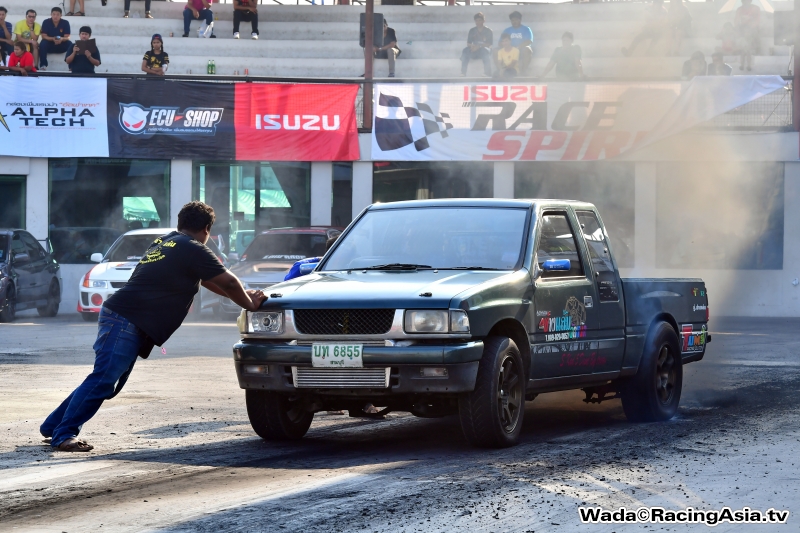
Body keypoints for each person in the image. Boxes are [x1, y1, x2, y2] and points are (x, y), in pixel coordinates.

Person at [39, 202, 267, 452]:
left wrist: (242, 295)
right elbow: (229, 282)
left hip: (122, 315)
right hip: (126, 319)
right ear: (206, 229)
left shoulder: (167, 242)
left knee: (102, 378)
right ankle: (64, 434)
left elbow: (208, 280)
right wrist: (250, 304)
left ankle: (53, 426)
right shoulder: (193, 248)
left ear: (181, 223)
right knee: (103, 379)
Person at [460, 12, 492, 77]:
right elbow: (468, 43)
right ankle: (463, 72)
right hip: (474, 49)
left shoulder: (488, 31)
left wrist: (479, 46)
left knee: (485, 51)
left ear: (484, 21)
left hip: (484, 50)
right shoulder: (472, 30)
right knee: (465, 50)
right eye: (476, 20)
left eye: (480, 20)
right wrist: (472, 46)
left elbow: (489, 44)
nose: (478, 22)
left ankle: (487, 73)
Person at [735, 0, 760, 71]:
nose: (745, 2)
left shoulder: (756, 8)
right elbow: (736, 21)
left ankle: (749, 65)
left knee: (748, 50)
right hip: (742, 31)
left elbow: (758, 20)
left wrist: (751, 24)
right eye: (744, 1)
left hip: (752, 31)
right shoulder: (739, 9)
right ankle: (742, 65)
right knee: (743, 51)